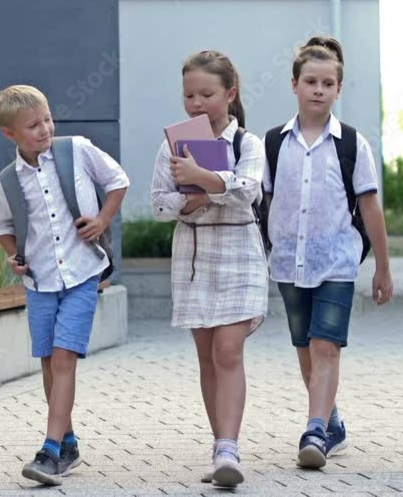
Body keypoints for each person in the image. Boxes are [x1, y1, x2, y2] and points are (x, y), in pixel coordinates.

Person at [0, 84, 129, 486]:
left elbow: (118, 180)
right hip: (41, 282)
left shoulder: (77, 150)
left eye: (47, 119)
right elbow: (0, 226)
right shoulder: (8, 180)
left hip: (83, 273)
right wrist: (13, 255)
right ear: (10, 133)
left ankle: (49, 451)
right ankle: (68, 442)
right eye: (33, 125)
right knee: (50, 360)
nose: (45, 129)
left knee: (64, 357)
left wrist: (102, 220)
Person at [263, 36, 393, 470]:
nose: (318, 90)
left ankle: (315, 430)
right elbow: (262, 202)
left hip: (337, 261)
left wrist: (383, 268)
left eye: (327, 83)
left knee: (326, 347)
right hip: (288, 263)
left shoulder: (352, 143)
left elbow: (370, 208)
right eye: (310, 81)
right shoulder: (273, 143)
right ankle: (332, 421)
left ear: (338, 88)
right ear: (294, 84)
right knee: (305, 347)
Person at [150, 50, 267, 488]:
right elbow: (160, 205)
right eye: (189, 95)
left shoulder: (248, 144)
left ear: (230, 94)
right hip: (194, 260)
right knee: (207, 356)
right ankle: (219, 445)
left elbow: (247, 191)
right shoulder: (171, 145)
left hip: (240, 257)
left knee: (228, 351)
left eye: (206, 94)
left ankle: (229, 449)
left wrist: (199, 177)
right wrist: (204, 193)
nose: (196, 103)